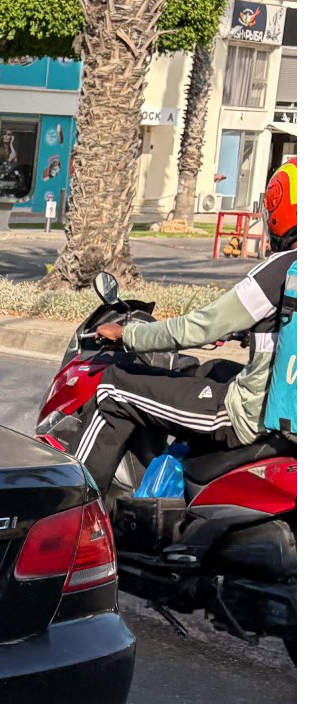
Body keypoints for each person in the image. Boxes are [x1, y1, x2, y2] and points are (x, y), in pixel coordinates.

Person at [72, 158, 297, 490]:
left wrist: (128, 334)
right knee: (213, 368)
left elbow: (202, 326)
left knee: (112, 387)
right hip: (286, 416)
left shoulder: (283, 268)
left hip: (248, 417)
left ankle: (76, 513)